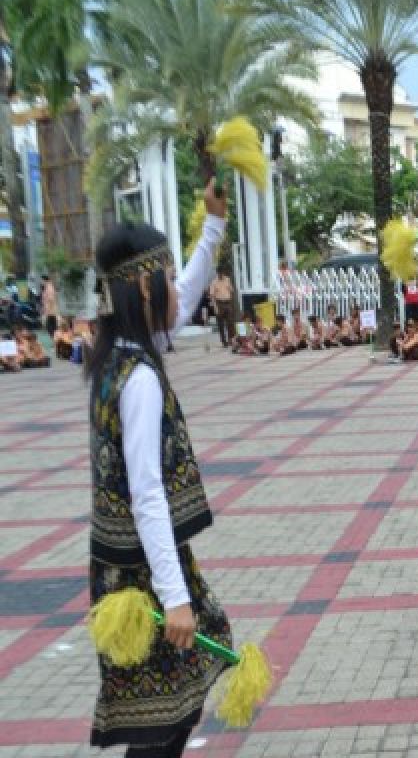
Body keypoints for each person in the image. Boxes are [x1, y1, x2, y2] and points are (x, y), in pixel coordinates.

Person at [86, 180, 233, 756]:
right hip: (143, 576)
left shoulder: (118, 355)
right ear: (143, 290)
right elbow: (147, 494)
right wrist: (175, 598)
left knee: (170, 711)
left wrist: (213, 225)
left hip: (128, 565)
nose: (178, 289)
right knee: (163, 721)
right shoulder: (140, 378)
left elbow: (189, 295)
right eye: (165, 278)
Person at [208, 269, 234, 348]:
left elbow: (231, 290)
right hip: (219, 303)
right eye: (220, 274)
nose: (221, 275)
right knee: (221, 324)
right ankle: (223, 341)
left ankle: (231, 340)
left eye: (222, 274)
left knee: (230, 322)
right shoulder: (214, 282)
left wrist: (230, 292)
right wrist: (215, 307)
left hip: (227, 302)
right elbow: (212, 296)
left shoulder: (227, 279)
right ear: (218, 273)